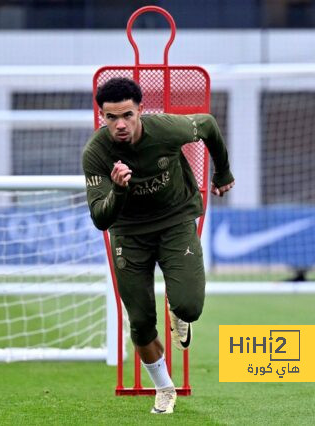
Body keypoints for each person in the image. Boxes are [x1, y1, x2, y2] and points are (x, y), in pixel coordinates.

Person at [82, 77, 234, 414]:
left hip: (175, 222)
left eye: (127, 115)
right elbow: (100, 219)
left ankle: (179, 313)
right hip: (129, 235)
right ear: (101, 117)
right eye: (111, 118)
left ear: (140, 111)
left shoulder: (165, 129)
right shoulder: (96, 154)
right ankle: (164, 388)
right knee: (140, 322)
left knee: (190, 306)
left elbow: (207, 125)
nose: (120, 124)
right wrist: (119, 190)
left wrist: (222, 173)